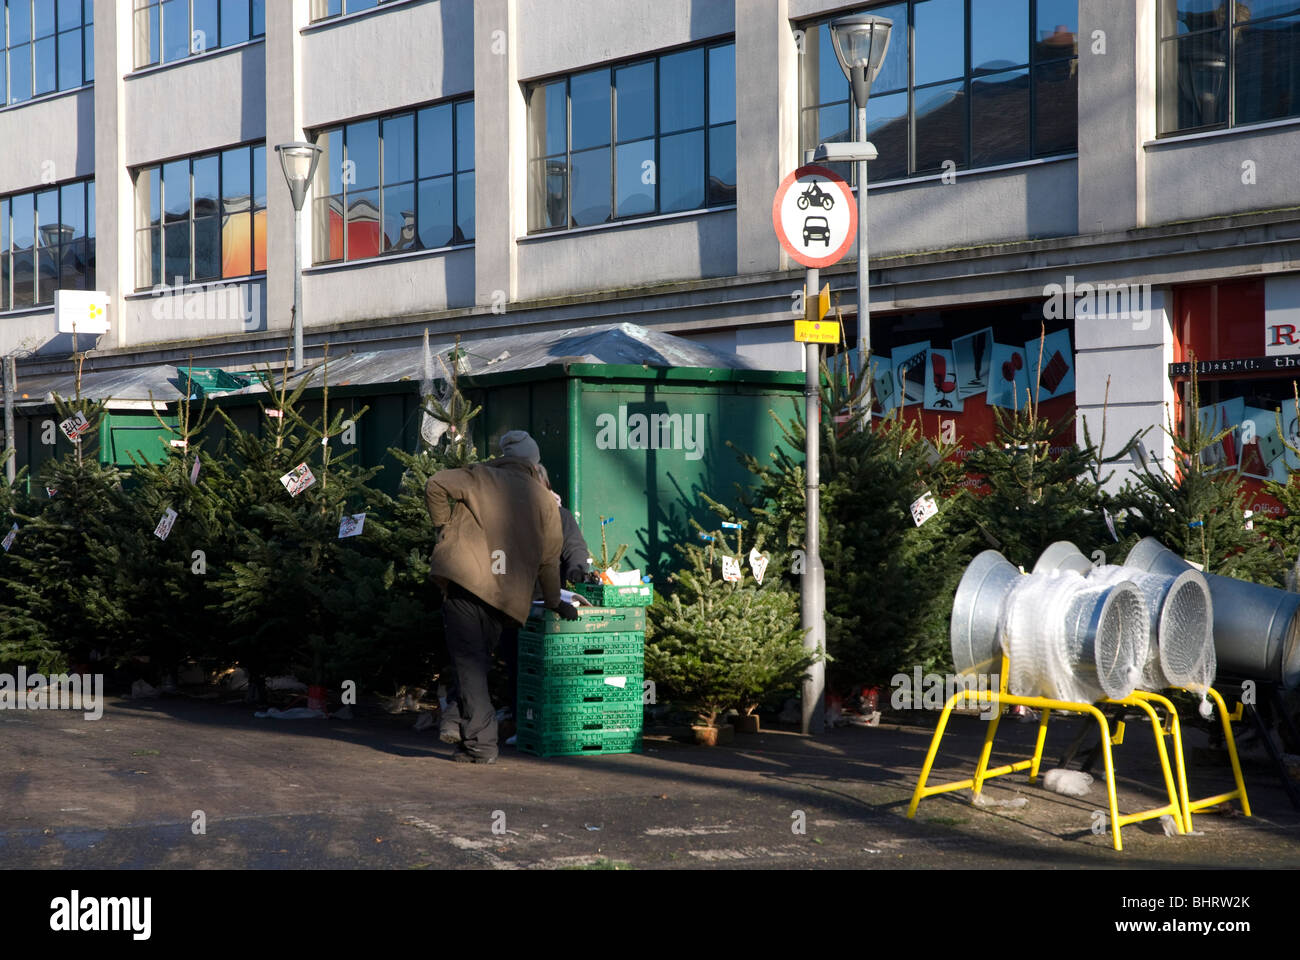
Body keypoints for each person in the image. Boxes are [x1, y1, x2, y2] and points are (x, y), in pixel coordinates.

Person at [425, 430, 578, 763]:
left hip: (465, 582)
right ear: (533, 463)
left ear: (504, 455)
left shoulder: (479, 475)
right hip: (506, 595)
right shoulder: (543, 501)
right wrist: (554, 602)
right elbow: (550, 561)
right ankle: (471, 736)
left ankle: (481, 744)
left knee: (470, 665)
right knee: (475, 664)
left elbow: (435, 483)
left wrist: (443, 528)